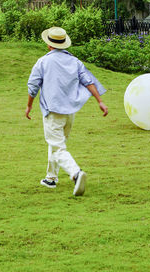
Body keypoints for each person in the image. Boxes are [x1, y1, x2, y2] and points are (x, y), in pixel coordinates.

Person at [25, 26, 108, 197]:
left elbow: (33, 86)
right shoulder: (74, 61)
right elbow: (88, 81)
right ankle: (51, 178)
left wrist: (29, 105)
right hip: (70, 112)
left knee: (58, 147)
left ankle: (76, 173)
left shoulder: (43, 62)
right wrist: (100, 101)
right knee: (57, 144)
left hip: (53, 110)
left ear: (49, 45)